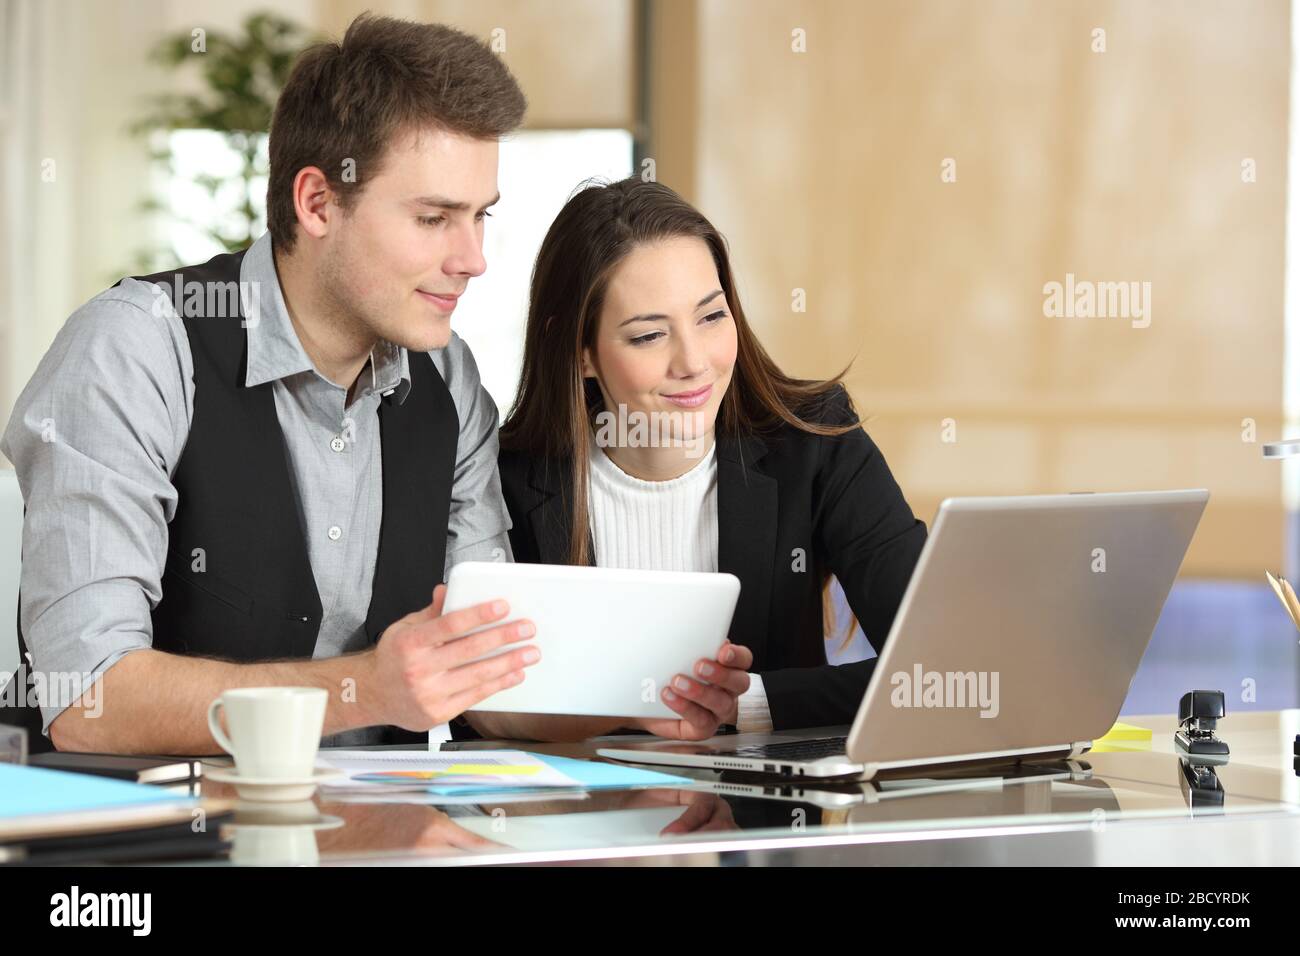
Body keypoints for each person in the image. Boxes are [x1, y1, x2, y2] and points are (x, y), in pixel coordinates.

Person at [0, 15, 540, 755]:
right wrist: (364, 690)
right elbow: (88, 698)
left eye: (480, 217)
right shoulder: (135, 349)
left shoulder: (448, 378)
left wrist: (653, 709)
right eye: (433, 218)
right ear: (317, 202)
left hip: (379, 836)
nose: (474, 258)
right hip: (149, 843)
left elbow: (490, 669)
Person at [482, 177, 927, 742]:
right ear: (581, 352)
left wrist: (744, 703)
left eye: (711, 317)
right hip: (574, 818)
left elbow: (937, 668)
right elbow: (478, 708)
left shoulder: (813, 443)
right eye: (648, 336)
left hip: (762, 824)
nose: (694, 363)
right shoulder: (507, 480)